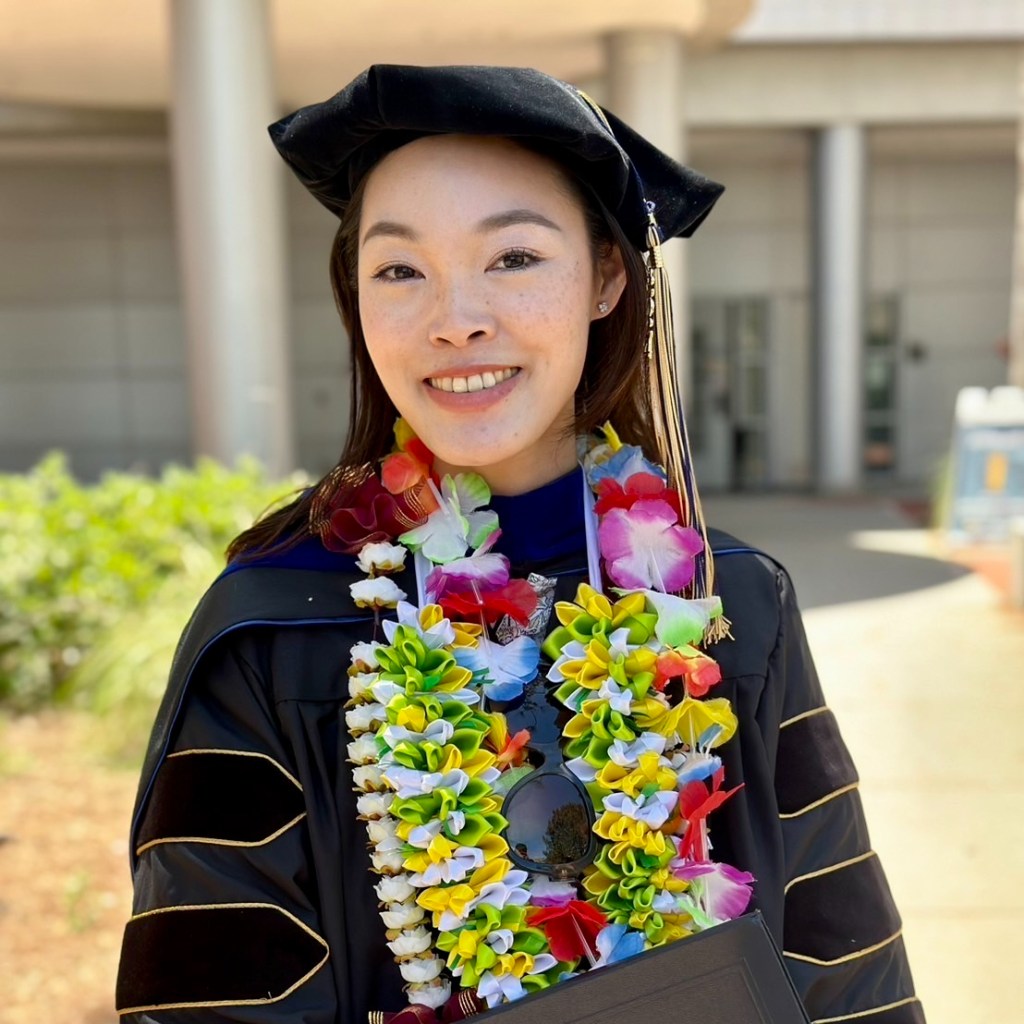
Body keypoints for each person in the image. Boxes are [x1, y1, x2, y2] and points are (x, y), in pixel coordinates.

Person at [115, 65, 923, 1024]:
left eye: (514, 259)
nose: (455, 319)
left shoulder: (726, 603)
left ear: (608, 277)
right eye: (399, 270)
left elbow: (844, 974)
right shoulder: (272, 627)